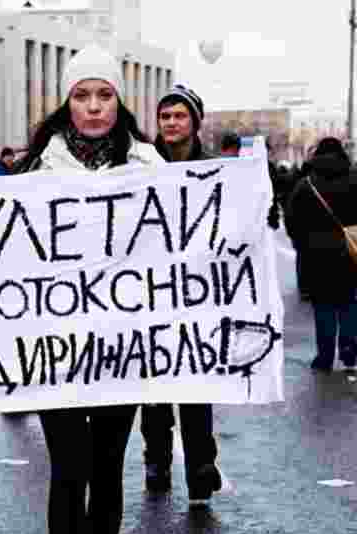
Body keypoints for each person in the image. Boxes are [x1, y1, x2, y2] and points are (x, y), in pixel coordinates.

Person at [15, 44, 163, 534]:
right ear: (66, 102)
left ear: (120, 100)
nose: (95, 106)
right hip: (58, 353)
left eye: (104, 95)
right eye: (82, 95)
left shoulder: (152, 164)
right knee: (67, 472)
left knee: (107, 471)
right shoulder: (32, 172)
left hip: (122, 353)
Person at [139, 84, 223, 504]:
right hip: (148, 294)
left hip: (196, 295)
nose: (171, 123)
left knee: (194, 385)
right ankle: (156, 459)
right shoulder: (140, 166)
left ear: (194, 122)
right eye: (165, 116)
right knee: (153, 387)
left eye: (179, 116)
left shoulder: (215, 171)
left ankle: (201, 467)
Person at [285, 137, 357, 373]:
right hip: (348, 254)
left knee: (323, 304)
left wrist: (302, 243)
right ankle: (348, 351)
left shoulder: (306, 185)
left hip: (316, 257)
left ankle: (324, 357)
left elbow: (292, 221)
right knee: (348, 302)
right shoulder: (356, 182)